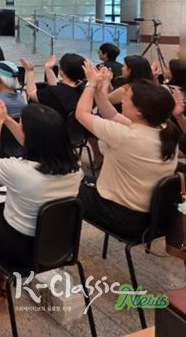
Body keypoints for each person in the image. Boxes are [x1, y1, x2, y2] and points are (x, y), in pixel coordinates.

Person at [0, 94, 82, 300]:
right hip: (55, 246)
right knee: (4, 215)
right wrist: (6, 117)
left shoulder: (21, 171)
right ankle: (0, 278)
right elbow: (32, 141)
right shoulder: (76, 170)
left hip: (20, 250)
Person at [76, 62, 180, 239]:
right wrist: (100, 92)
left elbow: (81, 114)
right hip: (151, 217)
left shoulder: (125, 136)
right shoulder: (165, 130)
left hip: (121, 217)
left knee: (64, 184)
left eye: (126, 98)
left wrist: (91, 84)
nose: (122, 100)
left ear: (139, 112)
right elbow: (113, 115)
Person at [22, 53, 85, 120]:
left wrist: (30, 71)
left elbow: (31, 92)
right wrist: (48, 69)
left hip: (56, 125)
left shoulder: (52, 93)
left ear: (61, 71)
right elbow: (57, 89)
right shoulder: (83, 90)